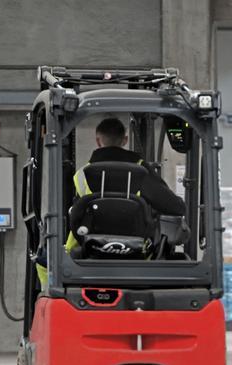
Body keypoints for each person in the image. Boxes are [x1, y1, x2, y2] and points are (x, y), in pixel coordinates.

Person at [35, 117, 186, 287]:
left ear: (98, 141)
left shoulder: (82, 175)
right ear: (125, 140)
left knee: (43, 260)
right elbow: (175, 207)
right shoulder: (143, 172)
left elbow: (73, 214)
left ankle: (55, 297)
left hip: (87, 252)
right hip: (138, 251)